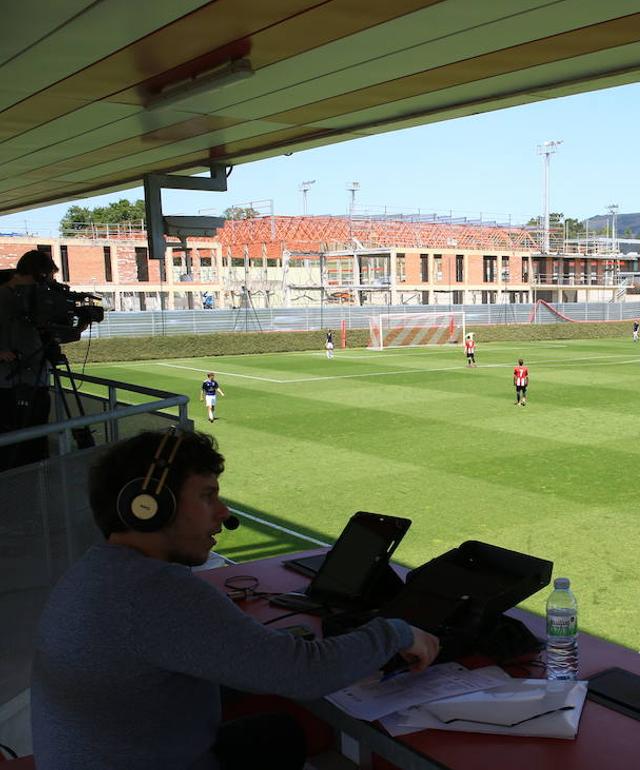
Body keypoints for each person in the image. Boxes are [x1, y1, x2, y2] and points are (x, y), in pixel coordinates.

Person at [31, 428, 439, 770]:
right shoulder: (157, 593)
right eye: (208, 496)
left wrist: (251, 654)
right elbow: (303, 674)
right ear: (149, 507)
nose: (224, 513)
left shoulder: (99, 571)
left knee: (279, 733)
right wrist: (395, 634)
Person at [0, 250, 58, 470]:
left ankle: (36, 488)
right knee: (13, 450)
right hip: (7, 388)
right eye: (48, 276)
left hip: (37, 384)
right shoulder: (4, 297)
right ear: (39, 274)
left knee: (36, 445)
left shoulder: (35, 300)